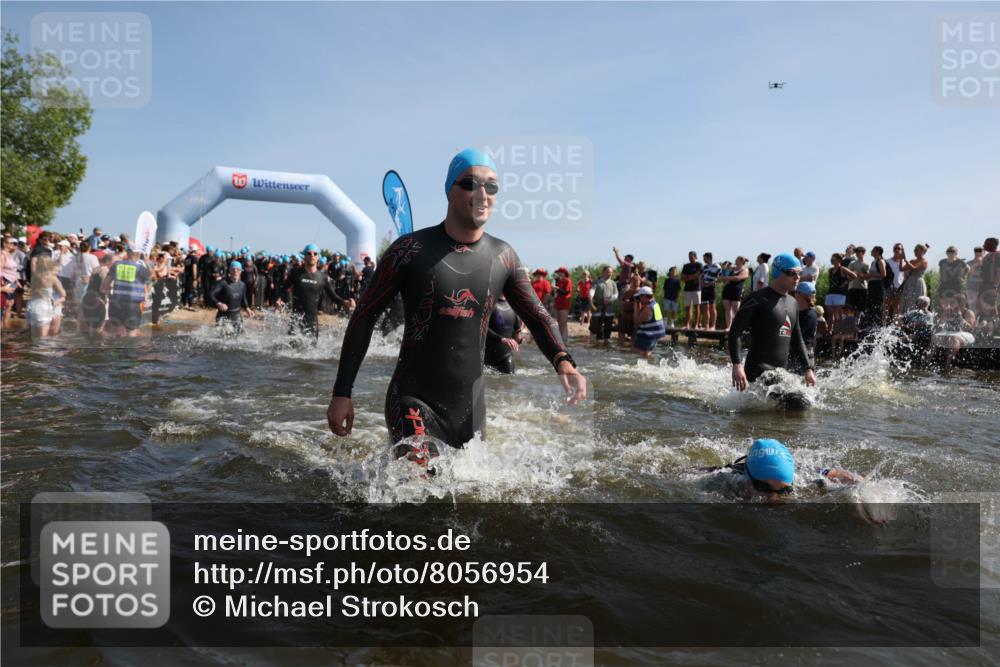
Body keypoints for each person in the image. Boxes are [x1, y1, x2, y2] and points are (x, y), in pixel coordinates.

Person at [326, 148, 587, 449]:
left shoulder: (503, 256)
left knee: (469, 492)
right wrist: (342, 393)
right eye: (469, 184)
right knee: (419, 482)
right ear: (449, 191)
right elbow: (363, 318)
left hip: (471, 411)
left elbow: (537, 315)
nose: (482, 193)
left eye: (491, 186)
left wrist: (564, 361)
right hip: (412, 399)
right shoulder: (408, 250)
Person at [729, 252, 816, 390]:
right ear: (777, 272)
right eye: (792, 273)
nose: (797, 278)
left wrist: (808, 369)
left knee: (802, 404)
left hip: (781, 373)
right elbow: (735, 332)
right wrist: (737, 365)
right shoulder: (757, 299)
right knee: (797, 403)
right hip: (757, 373)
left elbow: (797, 339)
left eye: (799, 273)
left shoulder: (793, 303)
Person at [703, 439, 862, 499]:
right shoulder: (732, 476)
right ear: (749, 477)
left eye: (785, 491)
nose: (773, 497)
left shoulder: (801, 474)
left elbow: (842, 476)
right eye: (763, 487)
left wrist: (865, 493)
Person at [277, 243, 355, 338]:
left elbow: (333, 296)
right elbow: (283, 288)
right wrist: (278, 299)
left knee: (312, 351)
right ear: (304, 256)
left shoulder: (323, 277)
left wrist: (345, 302)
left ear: (318, 257)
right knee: (290, 351)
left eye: (315, 254)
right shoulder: (295, 273)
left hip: (312, 321)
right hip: (296, 320)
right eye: (309, 253)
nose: (312, 256)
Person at [102, 247, 150, 337]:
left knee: (114, 331)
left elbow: (106, 283)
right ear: (139, 255)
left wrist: (109, 295)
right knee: (131, 333)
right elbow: (148, 284)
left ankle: (114, 350)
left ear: (127, 254)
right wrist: (146, 299)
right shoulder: (141, 268)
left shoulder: (116, 265)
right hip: (133, 304)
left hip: (116, 302)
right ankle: (129, 349)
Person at [210, 261, 256, 333]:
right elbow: (211, 294)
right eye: (233, 269)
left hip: (236, 315)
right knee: (221, 339)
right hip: (223, 316)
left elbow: (243, 298)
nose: (235, 271)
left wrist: (247, 308)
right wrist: (219, 303)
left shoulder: (242, 285)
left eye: (238, 269)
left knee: (240, 337)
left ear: (241, 271)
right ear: (229, 271)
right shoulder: (223, 283)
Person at [26, 255, 66, 338]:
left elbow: (33, 262)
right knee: (43, 338)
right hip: (43, 307)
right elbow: (63, 294)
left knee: (33, 337)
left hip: (31, 306)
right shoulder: (52, 278)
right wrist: (56, 302)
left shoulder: (35, 276)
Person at [484, 294, 523, 374]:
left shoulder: (513, 306)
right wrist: (502, 339)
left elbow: (517, 335)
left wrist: (518, 340)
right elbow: (483, 328)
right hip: (488, 357)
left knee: (509, 378)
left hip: (506, 357)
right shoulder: (489, 304)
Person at [790, 281, 818, 373]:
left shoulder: (809, 315)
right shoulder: (802, 312)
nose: (794, 294)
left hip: (803, 354)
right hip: (800, 353)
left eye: (796, 292)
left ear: (801, 295)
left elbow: (797, 337)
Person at [632, 285, 665, 357]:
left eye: (640, 297)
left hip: (649, 334)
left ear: (645, 297)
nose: (639, 299)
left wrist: (636, 305)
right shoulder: (655, 304)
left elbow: (636, 322)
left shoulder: (648, 308)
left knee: (636, 352)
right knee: (646, 354)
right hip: (654, 334)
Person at [900, 243, 930, 313]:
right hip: (909, 283)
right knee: (908, 301)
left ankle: (919, 317)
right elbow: (901, 269)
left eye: (916, 250)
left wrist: (905, 260)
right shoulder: (912, 261)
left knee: (918, 301)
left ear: (922, 251)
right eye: (914, 250)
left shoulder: (924, 261)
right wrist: (901, 259)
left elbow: (914, 268)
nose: (915, 251)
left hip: (918, 283)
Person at [721, 256, 748, 331]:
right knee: (727, 309)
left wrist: (728, 278)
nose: (735, 260)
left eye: (737, 259)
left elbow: (739, 278)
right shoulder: (732, 269)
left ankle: (737, 327)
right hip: (727, 290)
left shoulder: (745, 269)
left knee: (735, 310)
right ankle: (728, 327)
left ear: (741, 261)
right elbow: (723, 277)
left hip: (737, 291)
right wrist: (725, 268)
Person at [591, 265, 618, 341]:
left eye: (611, 272)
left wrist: (609, 300)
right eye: (608, 272)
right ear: (603, 272)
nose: (610, 274)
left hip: (609, 308)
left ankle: (606, 344)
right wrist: (590, 296)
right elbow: (592, 290)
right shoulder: (597, 281)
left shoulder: (613, 283)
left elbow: (616, 294)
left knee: (608, 328)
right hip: (598, 307)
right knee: (597, 328)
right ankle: (597, 345)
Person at [937, 246, 968, 312]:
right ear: (946, 253)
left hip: (956, 285)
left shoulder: (959, 262)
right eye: (949, 252)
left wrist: (963, 276)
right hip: (944, 285)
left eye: (952, 252)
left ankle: (957, 317)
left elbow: (968, 268)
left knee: (956, 304)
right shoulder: (942, 261)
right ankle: (944, 318)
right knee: (944, 306)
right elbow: (940, 270)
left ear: (956, 253)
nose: (950, 253)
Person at [865, 246, 889, 330]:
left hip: (878, 285)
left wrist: (871, 275)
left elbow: (883, 274)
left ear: (878, 251)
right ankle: (871, 323)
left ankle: (878, 325)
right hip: (872, 284)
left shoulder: (880, 261)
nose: (871, 251)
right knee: (871, 305)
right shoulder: (873, 262)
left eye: (873, 250)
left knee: (877, 304)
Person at [824, 253, 849, 325]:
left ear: (838, 260)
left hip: (839, 293)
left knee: (839, 312)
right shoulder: (830, 270)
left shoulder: (842, 269)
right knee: (829, 312)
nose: (831, 260)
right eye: (831, 259)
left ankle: (841, 329)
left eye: (833, 259)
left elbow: (854, 275)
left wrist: (845, 283)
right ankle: (830, 330)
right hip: (830, 292)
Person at [699, 252, 721, 330]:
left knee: (712, 307)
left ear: (709, 257)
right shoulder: (704, 267)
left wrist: (713, 282)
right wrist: (701, 283)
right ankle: (707, 325)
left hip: (711, 289)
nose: (703, 259)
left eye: (704, 258)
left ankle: (713, 326)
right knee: (705, 308)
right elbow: (701, 277)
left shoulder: (717, 266)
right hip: (704, 289)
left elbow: (720, 277)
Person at [680, 251, 702, 328]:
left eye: (691, 256)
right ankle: (687, 324)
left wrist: (687, 277)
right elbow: (682, 277)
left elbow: (697, 275)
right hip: (687, 289)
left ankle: (696, 324)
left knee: (697, 307)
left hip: (696, 289)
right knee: (687, 308)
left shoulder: (699, 265)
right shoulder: (686, 266)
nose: (689, 257)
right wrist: (689, 277)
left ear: (695, 256)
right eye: (689, 256)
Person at [846, 245, 868, 317]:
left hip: (862, 288)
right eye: (856, 252)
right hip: (852, 288)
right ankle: (851, 324)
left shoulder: (867, 264)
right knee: (851, 308)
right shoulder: (852, 263)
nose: (857, 253)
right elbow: (848, 277)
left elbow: (867, 277)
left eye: (859, 252)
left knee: (860, 308)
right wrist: (855, 274)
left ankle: (857, 325)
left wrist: (859, 274)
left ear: (863, 253)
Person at [553, 266, 573, 344]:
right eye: (558, 272)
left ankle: (564, 339)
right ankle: (560, 339)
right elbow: (555, 293)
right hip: (557, 303)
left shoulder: (568, 281)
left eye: (560, 272)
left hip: (564, 304)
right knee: (559, 322)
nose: (559, 274)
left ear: (564, 273)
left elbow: (566, 292)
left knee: (563, 322)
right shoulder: (558, 281)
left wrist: (557, 289)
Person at [966, 246, 985, 313]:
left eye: (980, 252)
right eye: (977, 251)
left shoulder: (986, 264)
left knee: (983, 308)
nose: (978, 253)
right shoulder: (969, 264)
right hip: (971, 289)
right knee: (972, 308)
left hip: (983, 289)